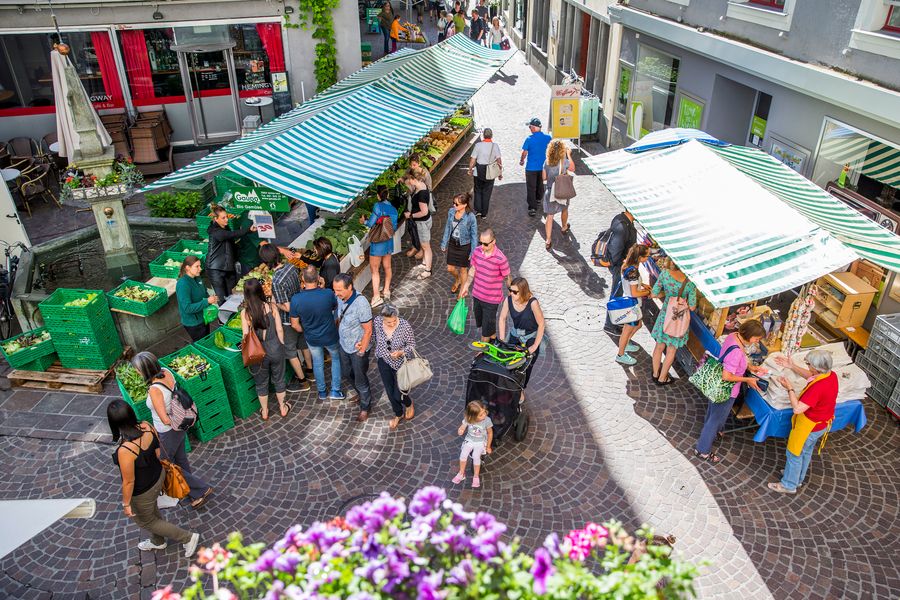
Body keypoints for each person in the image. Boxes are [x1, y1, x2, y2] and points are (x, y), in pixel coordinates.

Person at [108, 399, 200, 557]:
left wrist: (126, 504)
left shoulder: (126, 450)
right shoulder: (146, 426)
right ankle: (158, 541)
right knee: (151, 511)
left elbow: (128, 481)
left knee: (146, 520)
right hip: (158, 476)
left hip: (143, 490)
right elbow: (157, 453)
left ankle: (188, 538)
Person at [131, 351, 215, 509]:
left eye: (137, 369)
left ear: (144, 370)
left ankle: (201, 489)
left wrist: (170, 424)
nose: (136, 371)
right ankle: (192, 494)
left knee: (164, 464)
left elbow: (164, 419)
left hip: (167, 432)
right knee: (181, 460)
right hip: (180, 427)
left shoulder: (154, 390)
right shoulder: (166, 371)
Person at [695, 320, 766, 464]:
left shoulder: (734, 336)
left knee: (713, 411)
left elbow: (732, 361)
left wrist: (750, 367)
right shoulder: (737, 352)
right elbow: (727, 376)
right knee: (715, 419)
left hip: (715, 384)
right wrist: (748, 379)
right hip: (726, 390)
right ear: (749, 335)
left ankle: (710, 433)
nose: (757, 342)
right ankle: (702, 450)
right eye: (756, 339)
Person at [768, 349, 838, 494]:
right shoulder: (831, 375)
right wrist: (792, 366)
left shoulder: (818, 387)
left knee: (794, 454)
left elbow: (798, 409)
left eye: (808, 364)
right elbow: (810, 376)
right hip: (822, 425)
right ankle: (797, 478)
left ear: (816, 367)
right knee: (805, 452)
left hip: (809, 426)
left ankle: (788, 485)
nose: (807, 367)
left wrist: (790, 388)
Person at [263, 245, 313, 392]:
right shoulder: (291, 267)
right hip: (302, 311)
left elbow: (288, 308)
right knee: (304, 344)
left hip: (288, 320)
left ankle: (303, 381)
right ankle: (310, 372)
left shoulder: (277, 280)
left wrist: (275, 303)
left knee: (290, 351)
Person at [290, 265, 344, 401]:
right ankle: (335, 390)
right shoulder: (328, 293)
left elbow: (295, 325)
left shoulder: (296, 299)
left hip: (312, 337)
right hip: (330, 334)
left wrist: (306, 329)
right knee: (336, 359)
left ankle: (322, 392)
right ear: (318, 278)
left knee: (318, 362)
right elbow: (334, 307)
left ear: (302, 279)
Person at [242, 278, 290, 420]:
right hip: (274, 347)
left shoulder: (245, 314)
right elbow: (280, 330)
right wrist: (281, 345)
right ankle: (283, 407)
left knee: (261, 382)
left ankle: (264, 411)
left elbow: (245, 336)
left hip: (258, 353)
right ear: (260, 291)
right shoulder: (272, 307)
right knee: (279, 378)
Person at [333, 274, 374, 422]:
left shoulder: (361, 303)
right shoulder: (340, 297)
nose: (336, 294)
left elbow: (368, 329)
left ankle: (365, 406)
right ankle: (361, 392)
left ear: (349, 287)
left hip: (358, 349)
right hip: (344, 345)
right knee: (346, 373)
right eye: (334, 290)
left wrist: (362, 350)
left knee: (360, 378)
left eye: (339, 290)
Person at [459, 228, 511, 342]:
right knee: (485, 324)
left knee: (486, 329)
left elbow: (507, 276)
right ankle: (494, 340)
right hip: (477, 296)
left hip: (492, 300)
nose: (482, 246)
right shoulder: (477, 252)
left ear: (493, 242)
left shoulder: (501, 258)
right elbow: (472, 270)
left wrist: (512, 293)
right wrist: (466, 286)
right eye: (480, 242)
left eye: (486, 244)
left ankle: (482, 352)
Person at [650, 259, 697, 384]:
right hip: (678, 320)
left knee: (659, 346)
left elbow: (654, 294)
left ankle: (655, 373)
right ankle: (663, 378)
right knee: (671, 350)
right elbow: (692, 307)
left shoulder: (665, 274)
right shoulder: (690, 283)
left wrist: (667, 294)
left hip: (665, 316)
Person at [497, 277, 544, 400]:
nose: (511, 294)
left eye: (515, 292)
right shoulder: (508, 300)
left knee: (526, 367)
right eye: (510, 290)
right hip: (515, 335)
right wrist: (502, 339)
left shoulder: (533, 303)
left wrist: (534, 346)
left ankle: (521, 389)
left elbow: (541, 324)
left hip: (530, 338)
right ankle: (510, 387)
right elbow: (502, 318)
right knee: (509, 362)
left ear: (522, 291)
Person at [373, 303, 416, 430]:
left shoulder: (404, 326)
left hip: (400, 364)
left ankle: (408, 404)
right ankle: (398, 413)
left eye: (394, 321)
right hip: (383, 361)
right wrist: (362, 343)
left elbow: (412, 345)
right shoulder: (377, 322)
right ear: (382, 318)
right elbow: (374, 337)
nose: (391, 324)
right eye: (388, 322)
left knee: (399, 393)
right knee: (389, 391)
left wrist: (401, 352)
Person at [207, 206, 255, 304]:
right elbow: (231, 235)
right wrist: (248, 230)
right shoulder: (215, 231)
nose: (226, 219)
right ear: (216, 219)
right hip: (215, 269)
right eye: (223, 218)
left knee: (232, 295)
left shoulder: (224, 227)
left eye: (226, 217)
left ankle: (234, 315)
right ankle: (224, 318)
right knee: (222, 298)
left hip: (228, 267)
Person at [613, 244, 651, 366]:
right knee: (626, 330)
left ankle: (627, 343)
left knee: (638, 324)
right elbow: (634, 293)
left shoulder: (627, 265)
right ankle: (620, 354)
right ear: (640, 257)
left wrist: (642, 284)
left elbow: (631, 284)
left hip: (630, 302)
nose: (648, 258)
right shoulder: (633, 271)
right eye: (647, 256)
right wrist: (648, 292)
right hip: (632, 305)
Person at [602, 210, 637, 335]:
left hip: (620, 265)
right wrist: (621, 266)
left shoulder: (623, 220)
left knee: (617, 293)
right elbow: (615, 250)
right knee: (616, 294)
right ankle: (609, 324)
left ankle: (614, 321)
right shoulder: (623, 226)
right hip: (619, 266)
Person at [364, 186, 399, 307]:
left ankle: (376, 297)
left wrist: (363, 221)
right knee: (387, 267)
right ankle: (386, 291)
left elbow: (370, 223)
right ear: (387, 195)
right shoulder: (394, 209)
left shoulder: (377, 206)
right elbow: (393, 227)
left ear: (378, 195)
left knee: (375, 270)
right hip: (388, 241)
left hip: (378, 242)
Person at [441, 192, 479, 295]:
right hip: (453, 244)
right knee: (450, 268)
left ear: (464, 205)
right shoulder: (451, 212)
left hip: (465, 246)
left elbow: (474, 236)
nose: (454, 205)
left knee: (463, 270)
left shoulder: (470, 217)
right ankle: (457, 279)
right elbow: (448, 228)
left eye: (457, 204)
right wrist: (444, 242)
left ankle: (462, 290)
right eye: (454, 203)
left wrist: (473, 252)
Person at [542, 138, 575, 251]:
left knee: (549, 216)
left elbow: (544, 177)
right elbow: (573, 168)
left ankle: (548, 239)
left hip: (550, 191)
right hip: (563, 190)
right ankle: (564, 227)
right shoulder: (564, 162)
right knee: (564, 209)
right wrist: (568, 154)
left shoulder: (546, 162)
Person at [175, 255, 216, 342]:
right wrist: (207, 302)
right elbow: (187, 308)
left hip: (203, 316)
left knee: (207, 340)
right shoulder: (183, 284)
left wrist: (210, 298)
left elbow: (204, 292)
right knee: (202, 344)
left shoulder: (197, 277)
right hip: (193, 323)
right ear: (187, 268)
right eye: (197, 266)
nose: (200, 269)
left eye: (200, 266)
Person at [452, 401, 493, 488]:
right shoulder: (469, 419)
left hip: (480, 442)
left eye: (484, 412)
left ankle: (476, 476)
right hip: (469, 440)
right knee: (463, 454)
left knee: (475, 456)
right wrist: (461, 430)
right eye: (481, 415)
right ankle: (461, 473)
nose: (484, 415)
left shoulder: (487, 420)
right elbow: (463, 426)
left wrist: (488, 446)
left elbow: (490, 433)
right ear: (473, 416)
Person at [401, 171, 434, 280]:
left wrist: (411, 215)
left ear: (411, 179)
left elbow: (424, 212)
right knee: (424, 244)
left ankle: (428, 270)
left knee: (426, 246)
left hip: (422, 223)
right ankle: (424, 263)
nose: (407, 185)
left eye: (407, 183)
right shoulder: (421, 185)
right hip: (424, 221)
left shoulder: (421, 194)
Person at [520, 118, 552, 217]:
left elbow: (524, 153)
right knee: (540, 184)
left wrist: (521, 160)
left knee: (531, 187)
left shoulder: (529, 139)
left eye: (530, 127)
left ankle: (532, 207)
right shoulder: (548, 138)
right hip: (543, 167)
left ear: (534, 128)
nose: (529, 129)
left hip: (531, 168)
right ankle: (538, 199)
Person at [468, 128, 502, 217]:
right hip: (490, 172)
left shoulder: (478, 145)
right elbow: (499, 161)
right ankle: (484, 213)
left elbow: (473, 159)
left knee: (478, 190)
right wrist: (500, 173)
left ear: (483, 135)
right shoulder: (495, 146)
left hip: (478, 171)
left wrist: (470, 169)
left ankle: (478, 210)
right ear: (491, 136)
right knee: (487, 192)